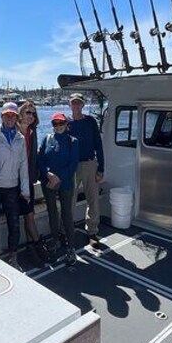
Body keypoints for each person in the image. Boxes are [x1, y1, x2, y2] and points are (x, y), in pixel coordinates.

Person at [0, 102, 29, 266]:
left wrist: (25, 189)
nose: (10, 118)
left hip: (12, 188)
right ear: (1, 116)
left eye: (13, 115)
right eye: (6, 115)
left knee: (14, 225)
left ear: (17, 117)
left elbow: (23, 165)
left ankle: (13, 257)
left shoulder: (20, 138)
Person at [38, 112, 79, 264]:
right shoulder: (47, 139)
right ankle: (55, 240)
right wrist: (48, 174)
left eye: (61, 123)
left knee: (67, 214)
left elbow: (73, 164)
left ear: (66, 125)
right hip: (49, 182)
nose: (58, 126)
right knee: (52, 212)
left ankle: (71, 247)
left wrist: (58, 178)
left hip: (66, 182)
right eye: (55, 123)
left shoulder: (72, 141)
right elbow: (40, 160)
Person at [68, 92, 104, 241]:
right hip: (72, 166)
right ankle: (67, 230)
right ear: (69, 104)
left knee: (93, 199)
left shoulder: (90, 121)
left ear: (83, 104)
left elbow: (98, 145)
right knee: (70, 200)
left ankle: (92, 231)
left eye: (79, 102)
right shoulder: (65, 122)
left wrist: (101, 168)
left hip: (90, 164)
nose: (76, 105)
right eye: (73, 102)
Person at [17, 101, 40, 248]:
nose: (31, 116)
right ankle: (35, 246)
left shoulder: (32, 132)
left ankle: (34, 246)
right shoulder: (13, 130)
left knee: (29, 214)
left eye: (33, 113)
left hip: (27, 180)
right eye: (28, 112)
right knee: (15, 219)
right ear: (20, 114)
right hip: (13, 181)